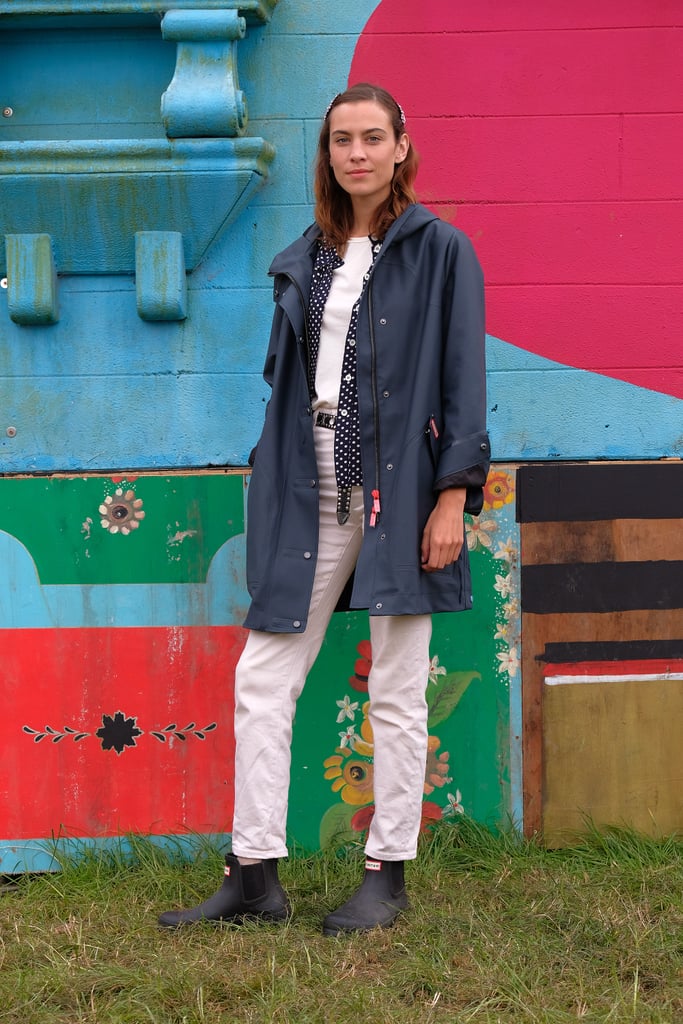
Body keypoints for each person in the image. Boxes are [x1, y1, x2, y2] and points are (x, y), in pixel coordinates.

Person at [158, 82, 490, 935]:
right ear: (328, 152)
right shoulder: (302, 256)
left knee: (396, 686)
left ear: (401, 145)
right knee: (263, 678)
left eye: (373, 138)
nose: (358, 154)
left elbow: (463, 382)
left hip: (401, 493)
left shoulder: (439, 250)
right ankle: (254, 873)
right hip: (306, 491)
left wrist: (452, 493)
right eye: (343, 139)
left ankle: (386, 873)